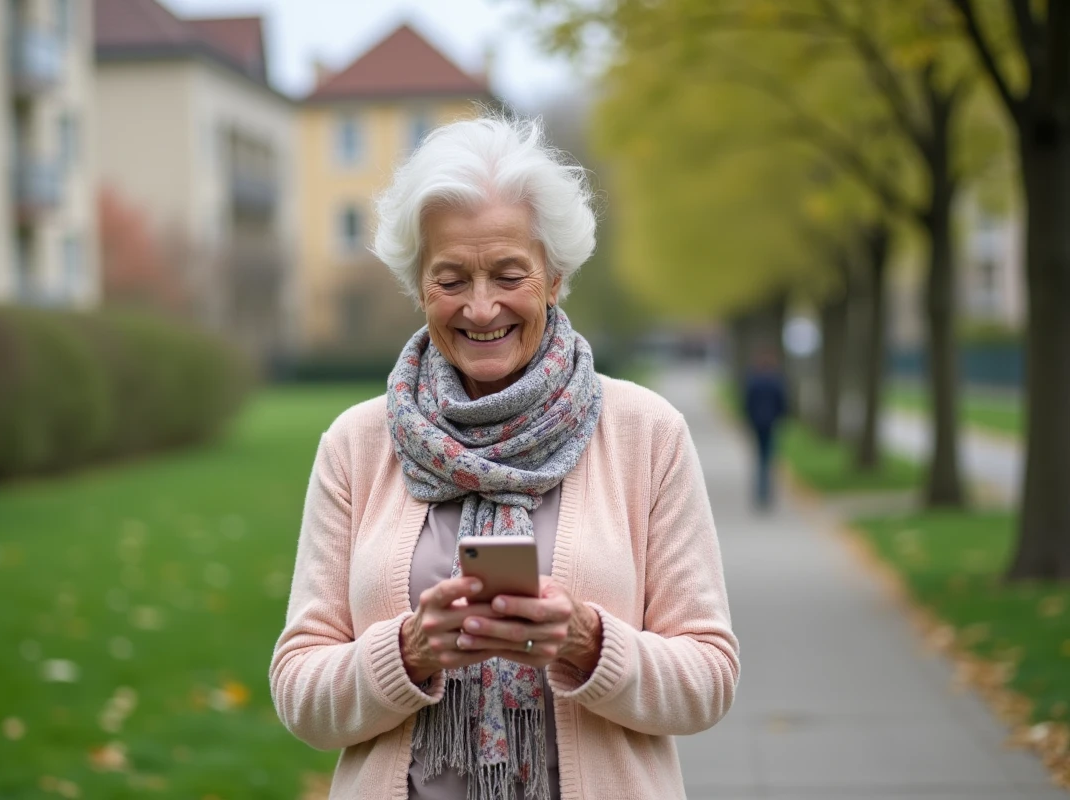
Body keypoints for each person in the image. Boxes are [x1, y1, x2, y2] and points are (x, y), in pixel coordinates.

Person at [270, 116, 739, 800]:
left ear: (553, 277)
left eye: (509, 274)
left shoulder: (646, 432)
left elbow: (709, 680)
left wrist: (588, 642)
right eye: (451, 278)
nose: (482, 307)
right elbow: (298, 693)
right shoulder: (357, 444)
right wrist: (405, 653)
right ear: (419, 286)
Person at [742, 346, 788, 510]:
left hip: (757, 424)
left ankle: (760, 493)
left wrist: (748, 420)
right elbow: (782, 403)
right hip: (771, 424)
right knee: (769, 458)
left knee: (760, 458)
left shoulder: (753, 380)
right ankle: (767, 492)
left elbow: (747, 403)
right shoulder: (776, 381)